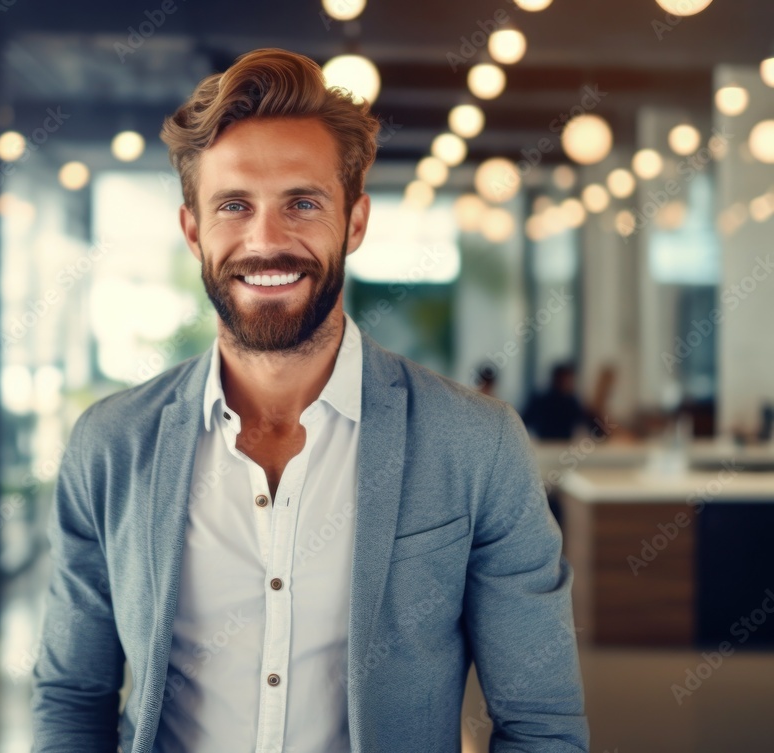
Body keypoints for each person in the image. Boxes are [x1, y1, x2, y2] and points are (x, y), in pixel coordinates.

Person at [31, 48, 588, 753]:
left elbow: (541, 724)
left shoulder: (476, 443)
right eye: (234, 206)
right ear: (194, 230)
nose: (267, 241)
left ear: (354, 222)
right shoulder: (110, 445)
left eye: (302, 203)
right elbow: (72, 697)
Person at [522, 362, 594, 441]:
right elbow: (523, 423)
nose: (566, 384)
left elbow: (588, 423)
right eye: (564, 380)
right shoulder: (541, 401)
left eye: (568, 381)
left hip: (561, 446)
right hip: (546, 446)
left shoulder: (572, 403)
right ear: (555, 379)